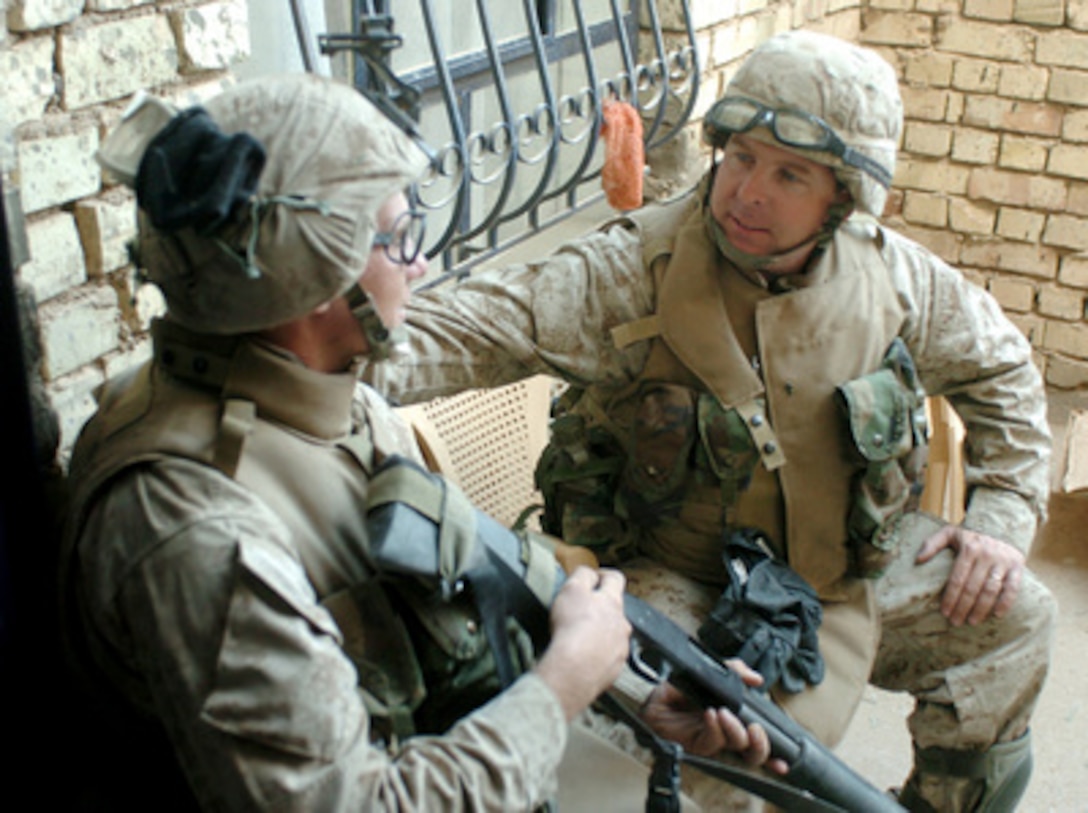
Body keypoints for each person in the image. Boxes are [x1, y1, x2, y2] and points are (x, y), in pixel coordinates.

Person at [364, 30, 1058, 813]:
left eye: (790, 173)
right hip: (681, 582)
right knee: (691, 753)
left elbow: (1001, 371)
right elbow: (469, 328)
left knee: (1017, 617)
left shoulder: (896, 281)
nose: (748, 191)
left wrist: (1001, 514)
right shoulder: (632, 270)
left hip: (853, 575)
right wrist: (315, 333)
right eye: (740, 157)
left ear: (845, 197)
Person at [58, 73, 677, 812]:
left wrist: (634, 692)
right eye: (398, 235)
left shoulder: (332, 399)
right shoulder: (198, 528)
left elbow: (445, 613)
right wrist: (561, 687)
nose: (418, 264)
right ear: (320, 279)